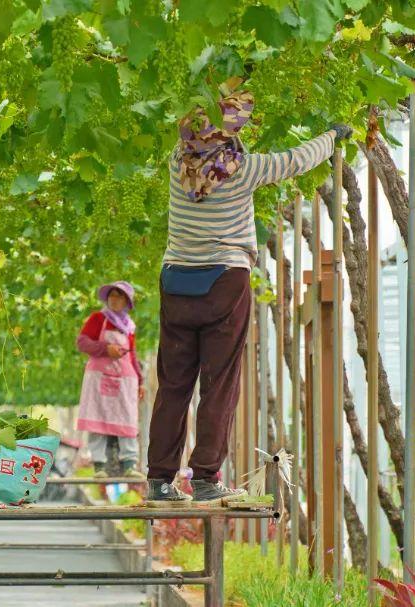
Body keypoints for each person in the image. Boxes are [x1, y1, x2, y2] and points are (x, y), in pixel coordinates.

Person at [146, 87, 352, 505]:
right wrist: (331, 136)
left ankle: (161, 481)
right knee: (219, 383)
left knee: (173, 385)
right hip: (225, 280)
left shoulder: (175, 162)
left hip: (176, 282)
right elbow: (298, 159)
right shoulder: (245, 169)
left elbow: (200, 128)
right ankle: (204, 478)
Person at [76, 281, 145, 479]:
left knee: (127, 417)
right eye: (112, 295)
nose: (114, 299)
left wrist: (139, 381)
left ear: (126, 302)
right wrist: (105, 349)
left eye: (119, 296)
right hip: (99, 377)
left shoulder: (129, 326)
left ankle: (130, 465)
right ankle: (99, 467)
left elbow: (132, 355)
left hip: (125, 378)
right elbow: (82, 343)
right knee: (98, 418)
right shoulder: (98, 318)